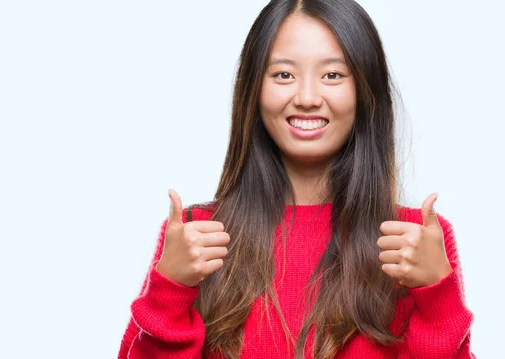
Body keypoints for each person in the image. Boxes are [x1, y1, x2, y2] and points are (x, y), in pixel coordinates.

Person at [118, 0, 475, 358]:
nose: (306, 98)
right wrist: (169, 292)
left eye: (332, 75)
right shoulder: (196, 235)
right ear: (253, 90)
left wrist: (437, 299)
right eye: (283, 75)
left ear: (366, 91)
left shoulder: (416, 239)